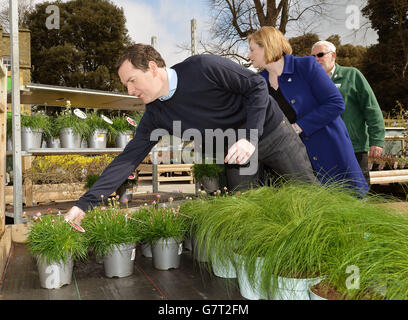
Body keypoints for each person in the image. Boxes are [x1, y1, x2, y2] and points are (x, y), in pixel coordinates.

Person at [64, 43, 317, 224]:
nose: (130, 90)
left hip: (271, 133)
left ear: (152, 68)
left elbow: (256, 86)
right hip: (233, 153)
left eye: (132, 81)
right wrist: (84, 204)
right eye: (125, 85)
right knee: (245, 214)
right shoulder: (155, 115)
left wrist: (249, 137)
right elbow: (127, 160)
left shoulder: (203, 67)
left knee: (308, 197)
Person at [247, 26, 369, 195]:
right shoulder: (259, 83)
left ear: (267, 46)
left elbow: (335, 103)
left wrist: (298, 127)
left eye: (252, 50)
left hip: (328, 150)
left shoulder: (306, 66)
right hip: (292, 162)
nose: (249, 55)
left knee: (346, 207)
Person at [311, 40, 385, 184]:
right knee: (330, 192)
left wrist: (377, 140)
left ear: (333, 55)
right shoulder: (311, 82)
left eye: (320, 55)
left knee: (358, 192)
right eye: (312, 56)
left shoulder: (352, 75)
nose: (316, 59)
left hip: (354, 147)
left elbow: (371, 108)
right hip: (325, 148)